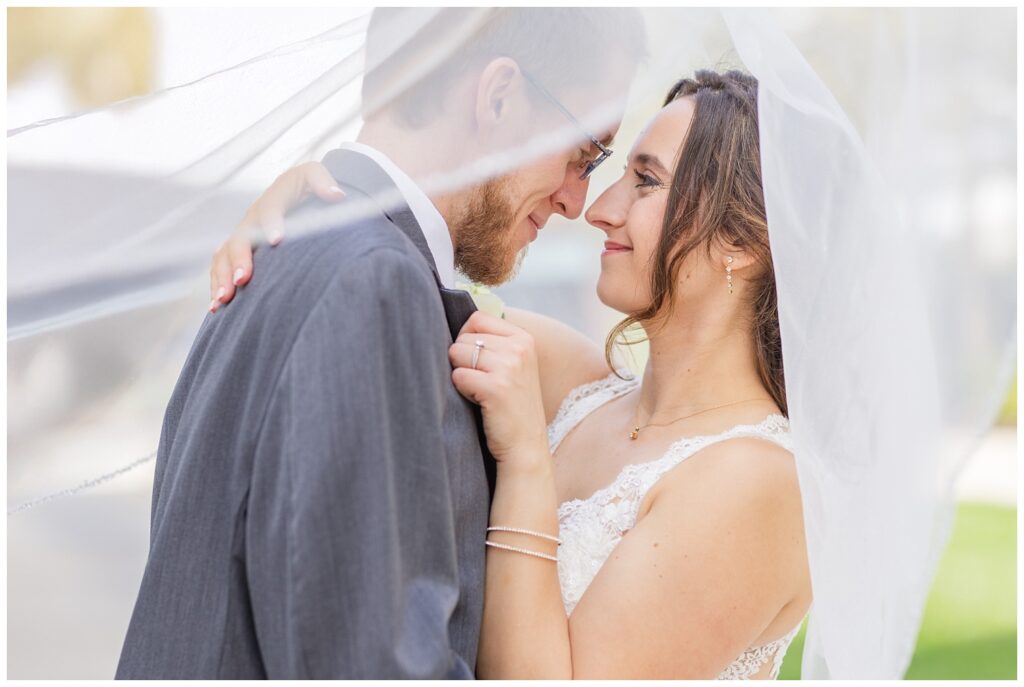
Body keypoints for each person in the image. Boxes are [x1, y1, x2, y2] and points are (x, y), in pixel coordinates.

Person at [208, 69, 812, 679]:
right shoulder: (572, 381)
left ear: (741, 240)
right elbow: (398, 289)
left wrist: (526, 460)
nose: (598, 210)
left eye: (646, 181)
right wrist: (319, 208)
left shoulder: (759, 481)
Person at [116, 8, 645, 679]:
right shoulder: (374, 283)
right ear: (500, 95)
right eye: (585, 155)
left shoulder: (298, 242)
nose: (579, 199)